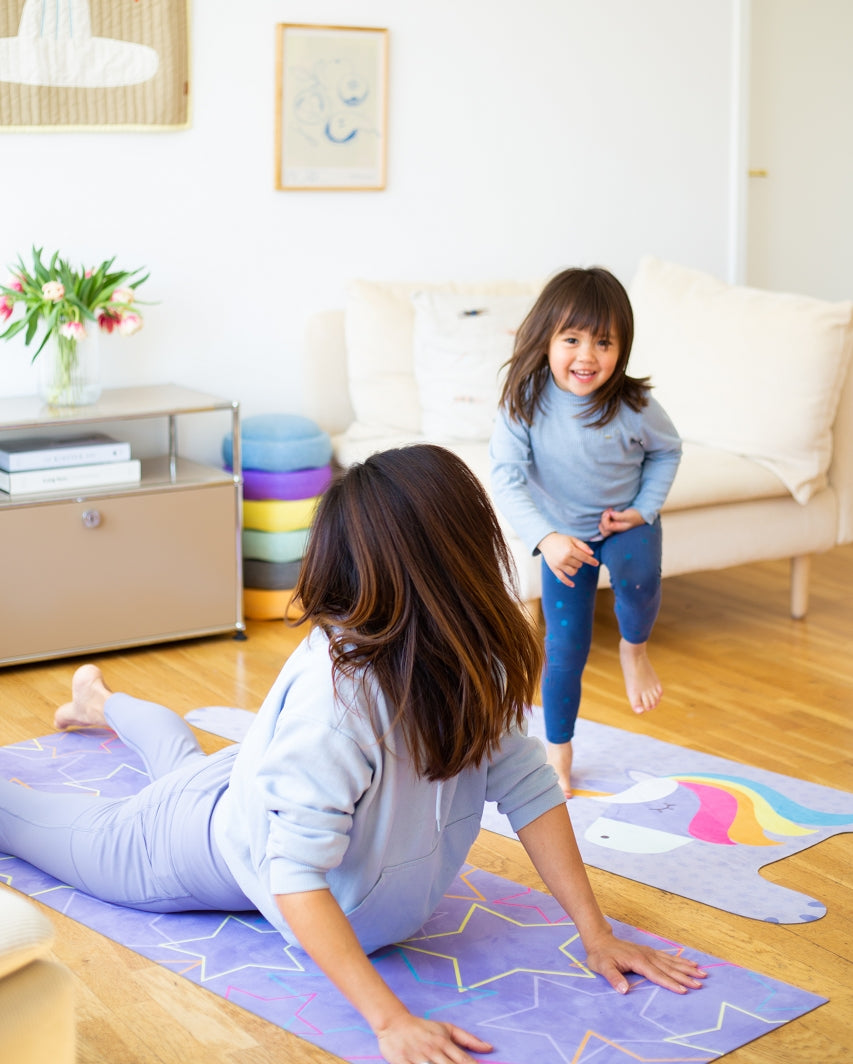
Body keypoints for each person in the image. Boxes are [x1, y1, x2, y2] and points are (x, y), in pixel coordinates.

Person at [0, 445, 703, 1064]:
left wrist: (597, 933)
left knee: (183, 758)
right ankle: (97, 706)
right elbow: (294, 873)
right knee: (26, 819)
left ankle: (97, 704)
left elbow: (528, 787)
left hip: (256, 785)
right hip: (194, 840)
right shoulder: (338, 709)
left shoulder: (467, 659)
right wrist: (388, 1019)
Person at [490, 267, 682, 798]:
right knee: (565, 646)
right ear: (546, 338)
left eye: (604, 342)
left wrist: (643, 509)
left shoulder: (634, 404)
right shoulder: (524, 402)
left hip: (622, 521)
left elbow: (669, 448)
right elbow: (504, 478)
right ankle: (558, 753)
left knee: (638, 575)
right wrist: (547, 539)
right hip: (563, 539)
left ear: (622, 349)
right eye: (571, 339)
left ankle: (634, 650)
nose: (587, 356)